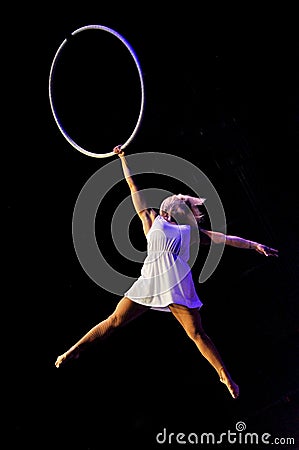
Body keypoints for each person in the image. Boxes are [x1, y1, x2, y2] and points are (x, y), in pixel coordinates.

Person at [55, 145, 279, 399]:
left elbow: (224, 238)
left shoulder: (187, 231)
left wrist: (255, 245)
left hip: (172, 281)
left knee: (196, 333)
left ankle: (225, 377)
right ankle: (74, 349)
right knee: (115, 320)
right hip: (152, 281)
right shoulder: (153, 221)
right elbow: (133, 187)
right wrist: (123, 158)